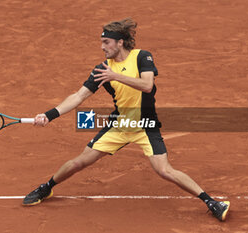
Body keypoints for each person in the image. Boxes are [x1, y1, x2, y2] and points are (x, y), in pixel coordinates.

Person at [22, 18, 230, 221]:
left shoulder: (142, 57)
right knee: (79, 162)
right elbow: (78, 96)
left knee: (164, 170)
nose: (102, 47)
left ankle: (211, 202)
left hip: (145, 125)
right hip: (120, 125)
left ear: (120, 42)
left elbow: (147, 85)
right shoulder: (102, 69)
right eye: (102, 42)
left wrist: (115, 76)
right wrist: (49, 115)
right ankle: (46, 188)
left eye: (106, 42)